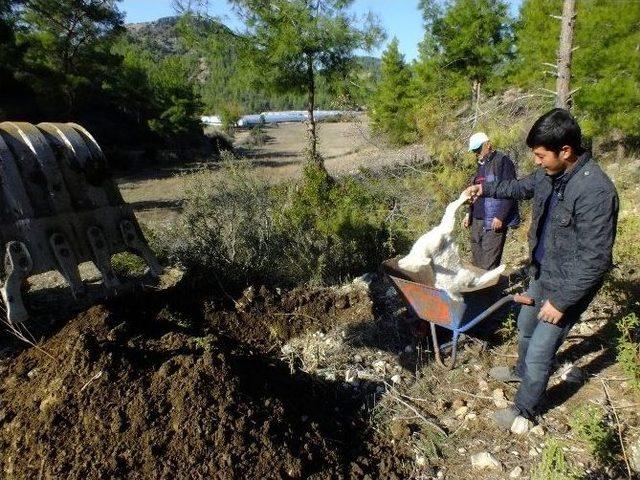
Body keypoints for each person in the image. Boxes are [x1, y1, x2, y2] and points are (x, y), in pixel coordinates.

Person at [464, 109, 619, 428]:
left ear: (565, 151)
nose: (536, 161)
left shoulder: (596, 192)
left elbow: (596, 259)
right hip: (541, 272)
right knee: (525, 325)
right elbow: (519, 188)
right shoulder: (551, 174)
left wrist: (562, 302)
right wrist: (485, 190)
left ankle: (524, 409)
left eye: (540, 155)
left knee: (540, 349)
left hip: (567, 286)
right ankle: (520, 371)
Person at [463, 132, 520, 270]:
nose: (476, 153)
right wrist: (468, 214)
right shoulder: (480, 165)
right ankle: (478, 291)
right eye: (474, 150)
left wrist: (501, 216)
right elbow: (476, 193)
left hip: (493, 220)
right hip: (477, 219)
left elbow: (511, 191)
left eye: (478, 149)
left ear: (488, 144)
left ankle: (489, 291)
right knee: (477, 262)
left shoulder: (503, 161)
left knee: (488, 264)